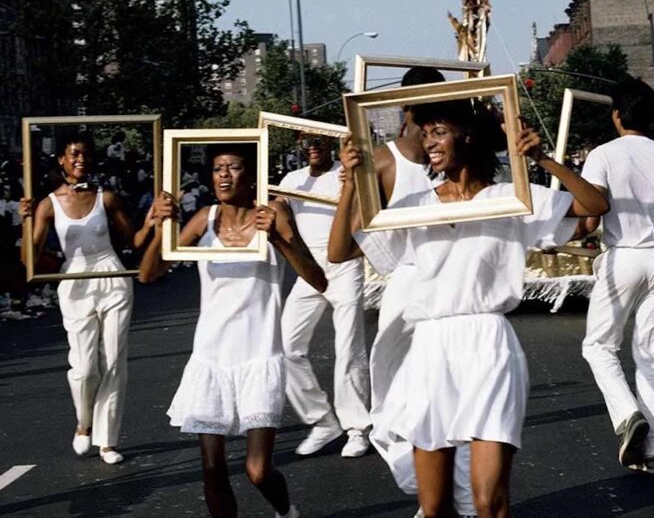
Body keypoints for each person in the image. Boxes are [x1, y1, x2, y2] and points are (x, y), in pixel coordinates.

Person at [328, 99, 608, 518]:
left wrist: (541, 158)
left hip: (488, 343)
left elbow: (594, 205)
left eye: (438, 131)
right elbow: (339, 251)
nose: (429, 142)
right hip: (431, 347)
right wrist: (351, 183)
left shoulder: (509, 197)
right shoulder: (412, 208)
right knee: (435, 505)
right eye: (425, 134)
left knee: (488, 502)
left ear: (468, 137)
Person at [138, 144, 327, 517]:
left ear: (251, 173)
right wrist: (161, 227)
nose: (224, 175)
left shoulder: (273, 213)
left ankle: (286, 512)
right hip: (211, 359)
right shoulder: (204, 220)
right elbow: (148, 274)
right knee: (212, 469)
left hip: (259, 357)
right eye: (217, 168)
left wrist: (279, 240)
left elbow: (318, 279)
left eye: (234, 167)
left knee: (257, 470)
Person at [364, 67, 477, 516]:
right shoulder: (384, 159)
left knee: (462, 403)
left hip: (458, 295)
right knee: (404, 406)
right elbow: (357, 240)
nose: (430, 133)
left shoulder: (463, 155)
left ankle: (462, 501)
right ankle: (436, 497)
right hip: (411, 297)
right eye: (420, 108)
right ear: (407, 107)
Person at [574, 80, 654, 475]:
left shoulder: (602, 155)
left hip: (623, 259)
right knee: (652, 357)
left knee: (599, 346)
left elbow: (589, 217)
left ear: (616, 115)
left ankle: (626, 414)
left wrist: (558, 235)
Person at [19, 130, 140, 464]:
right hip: (74, 280)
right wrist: (25, 220)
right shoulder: (48, 203)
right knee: (85, 367)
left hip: (112, 275)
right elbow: (29, 260)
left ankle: (108, 441)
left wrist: (159, 218)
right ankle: (84, 422)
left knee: (114, 360)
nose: (80, 160)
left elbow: (136, 239)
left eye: (85, 154)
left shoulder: (108, 197)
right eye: (73, 154)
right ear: (61, 160)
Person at [278, 133, 371, 458]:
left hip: (344, 265)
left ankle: (357, 428)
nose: (312, 147)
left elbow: (369, 210)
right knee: (286, 347)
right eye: (305, 142)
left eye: (318, 141)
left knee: (348, 348)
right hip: (309, 270)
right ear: (299, 147)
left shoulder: (344, 174)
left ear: (330, 144)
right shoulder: (292, 180)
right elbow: (276, 211)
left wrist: (354, 181)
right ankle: (321, 420)